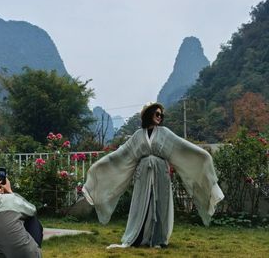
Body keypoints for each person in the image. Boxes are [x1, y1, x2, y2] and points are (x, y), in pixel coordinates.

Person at [82, 102, 224, 249]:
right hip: (142, 175)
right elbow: (121, 154)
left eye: (161, 115)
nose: (159, 117)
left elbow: (183, 147)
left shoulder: (165, 133)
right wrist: (97, 167)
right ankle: (137, 237)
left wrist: (204, 156)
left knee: (160, 204)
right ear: (149, 114)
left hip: (161, 174)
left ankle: (159, 239)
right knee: (140, 204)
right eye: (157, 114)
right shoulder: (138, 136)